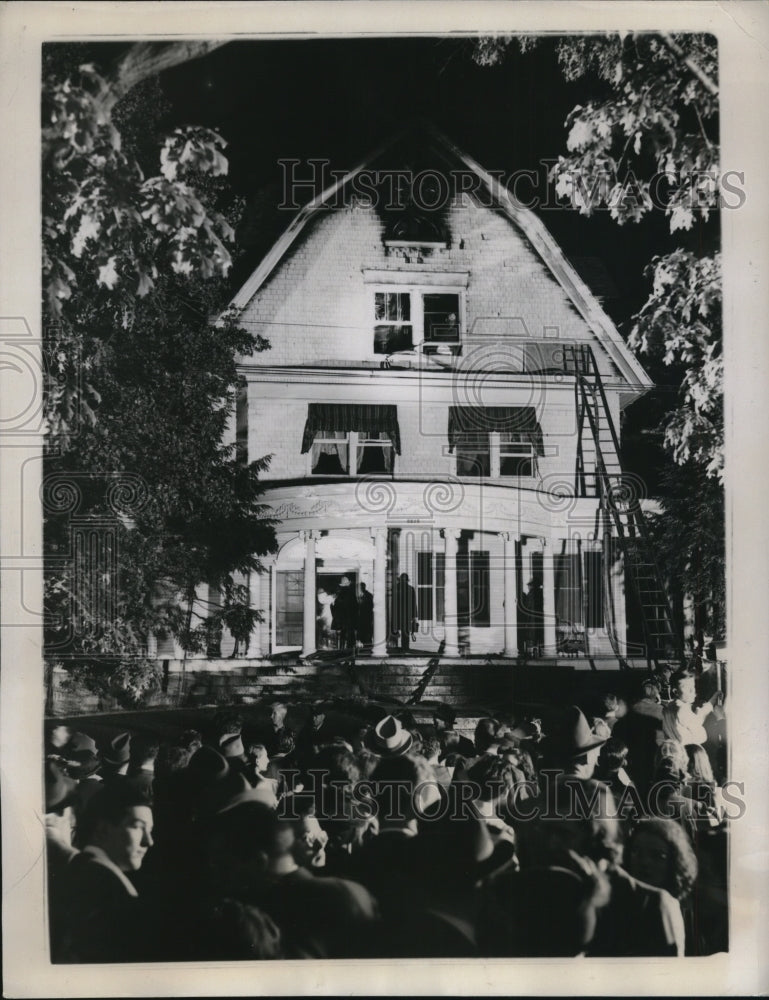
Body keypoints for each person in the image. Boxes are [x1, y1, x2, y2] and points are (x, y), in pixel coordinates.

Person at [56, 782, 154, 962]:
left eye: (150, 830)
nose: (149, 841)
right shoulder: (110, 894)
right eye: (138, 827)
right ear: (102, 829)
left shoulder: (80, 869)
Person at [331, 575, 358, 650]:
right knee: (350, 640)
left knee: (342, 639)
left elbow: (336, 609)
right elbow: (355, 609)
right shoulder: (352, 594)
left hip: (341, 622)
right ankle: (349, 657)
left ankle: (342, 655)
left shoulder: (339, 595)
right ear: (348, 584)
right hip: (350, 622)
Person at [395, 572, 417, 652]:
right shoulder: (410, 589)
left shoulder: (397, 588)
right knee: (405, 633)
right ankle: (405, 649)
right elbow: (414, 604)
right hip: (407, 615)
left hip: (399, 615)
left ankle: (403, 649)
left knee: (399, 632)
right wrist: (414, 616)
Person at [357, 582, 374, 649]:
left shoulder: (368, 595)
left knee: (367, 633)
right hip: (363, 617)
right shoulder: (363, 595)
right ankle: (365, 646)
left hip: (367, 617)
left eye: (361, 587)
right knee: (364, 633)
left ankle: (368, 647)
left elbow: (369, 606)